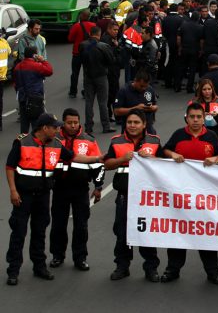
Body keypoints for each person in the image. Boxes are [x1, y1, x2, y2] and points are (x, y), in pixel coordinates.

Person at [5, 114, 98, 285]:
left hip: (43, 195)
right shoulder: (23, 142)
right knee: (19, 232)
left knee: (40, 232)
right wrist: (13, 191)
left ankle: (39, 266)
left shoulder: (56, 144)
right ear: (44, 128)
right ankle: (13, 270)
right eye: (54, 127)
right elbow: (10, 167)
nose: (57, 130)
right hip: (23, 196)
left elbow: (74, 157)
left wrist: (97, 158)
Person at [160, 103, 218, 284]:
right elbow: (164, 150)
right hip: (180, 195)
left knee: (205, 233)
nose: (195, 120)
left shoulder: (212, 136)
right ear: (186, 118)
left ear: (204, 118)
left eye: (199, 117)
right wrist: (172, 154)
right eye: (192, 117)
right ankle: (172, 269)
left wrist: (215, 158)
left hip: (204, 196)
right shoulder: (178, 135)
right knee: (178, 232)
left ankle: (212, 271)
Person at [102, 109, 162, 282]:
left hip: (146, 198)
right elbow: (107, 164)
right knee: (122, 232)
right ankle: (122, 266)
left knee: (146, 232)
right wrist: (122, 159)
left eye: (136, 122)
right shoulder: (116, 141)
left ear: (144, 125)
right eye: (129, 122)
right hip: (124, 195)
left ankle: (151, 268)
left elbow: (164, 165)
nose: (132, 126)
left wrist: (151, 158)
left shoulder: (155, 141)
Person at [48, 109, 103, 271]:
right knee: (58, 224)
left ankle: (80, 258)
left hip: (81, 190)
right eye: (69, 123)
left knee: (81, 225)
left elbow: (98, 165)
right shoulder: (54, 140)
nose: (73, 126)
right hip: (60, 189)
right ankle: (57, 255)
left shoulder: (89, 141)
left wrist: (98, 187)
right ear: (63, 124)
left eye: (75, 122)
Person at [80, 26, 116, 134]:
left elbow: (81, 59)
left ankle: (88, 127)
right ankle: (106, 126)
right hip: (101, 76)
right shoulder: (104, 46)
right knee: (102, 102)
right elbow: (111, 61)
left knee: (89, 102)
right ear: (99, 34)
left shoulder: (83, 45)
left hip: (88, 76)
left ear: (90, 33)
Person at [14, 46, 53, 134]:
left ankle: (23, 144)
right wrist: (43, 60)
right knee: (36, 124)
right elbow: (49, 71)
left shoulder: (18, 66)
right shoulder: (36, 66)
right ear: (35, 55)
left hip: (23, 98)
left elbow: (15, 84)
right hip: (35, 99)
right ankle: (35, 144)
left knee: (24, 124)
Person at [67, 10, 96, 98]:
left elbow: (70, 39)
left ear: (82, 16)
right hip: (89, 52)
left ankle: (73, 92)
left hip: (77, 53)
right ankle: (86, 91)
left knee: (75, 73)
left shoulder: (76, 26)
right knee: (87, 73)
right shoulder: (93, 25)